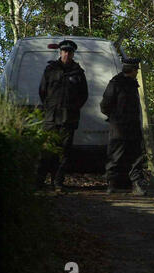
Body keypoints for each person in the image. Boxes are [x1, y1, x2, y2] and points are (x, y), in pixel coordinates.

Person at [37, 39, 88, 191]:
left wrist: (72, 109)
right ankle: (39, 183)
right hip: (51, 118)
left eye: (70, 52)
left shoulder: (78, 73)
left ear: (73, 54)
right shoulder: (50, 69)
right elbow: (42, 91)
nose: (67, 54)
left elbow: (83, 95)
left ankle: (57, 183)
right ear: (60, 52)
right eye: (64, 51)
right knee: (46, 150)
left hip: (68, 119)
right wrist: (50, 107)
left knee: (63, 152)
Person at [100, 58, 149, 196]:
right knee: (116, 155)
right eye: (136, 70)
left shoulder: (132, 84)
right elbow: (104, 105)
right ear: (132, 70)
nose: (136, 72)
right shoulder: (116, 83)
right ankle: (112, 184)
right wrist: (116, 118)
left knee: (135, 156)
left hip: (132, 125)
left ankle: (136, 184)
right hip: (119, 127)